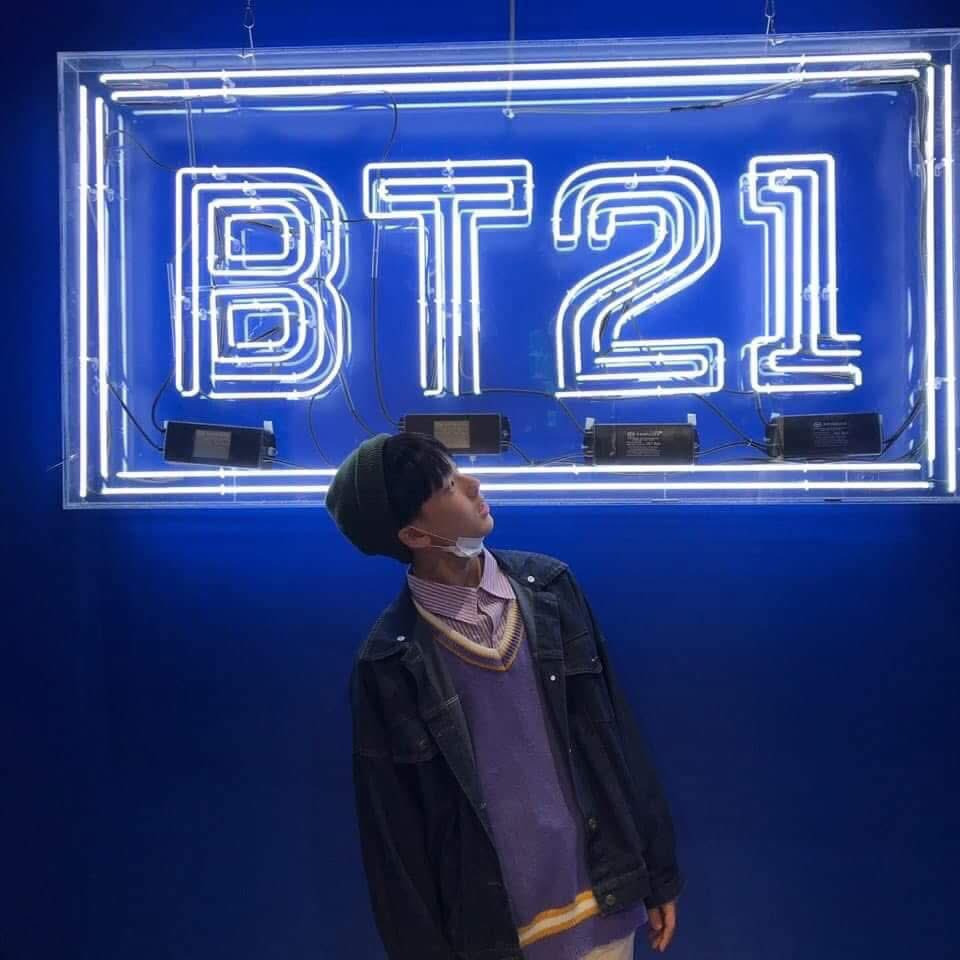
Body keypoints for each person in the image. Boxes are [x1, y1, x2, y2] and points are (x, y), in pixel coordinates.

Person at [326, 432, 683, 960]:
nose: (473, 485)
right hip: (496, 935)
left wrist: (657, 872)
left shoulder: (552, 589)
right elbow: (394, 838)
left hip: (605, 902)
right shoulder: (389, 664)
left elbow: (615, 734)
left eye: (458, 470)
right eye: (448, 486)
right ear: (414, 534)